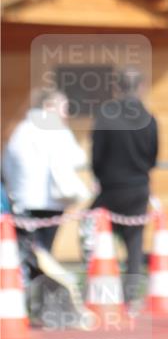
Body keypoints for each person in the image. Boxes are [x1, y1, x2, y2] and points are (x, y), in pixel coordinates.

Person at [90, 68, 159, 309]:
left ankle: (99, 289)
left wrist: (101, 176)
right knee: (134, 241)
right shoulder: (149, 118)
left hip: (110, 187)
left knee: (94, 233)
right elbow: (153, 158)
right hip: (138, 187)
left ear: (116, 88)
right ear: (141, 87)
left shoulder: (106, 117)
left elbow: (96, 156)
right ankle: (130, 296)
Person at [2, 89, 89, 252]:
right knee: (44, 249)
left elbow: (7, 165)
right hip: (51, 201)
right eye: (64, 107)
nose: (66, 113)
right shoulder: (58, 130)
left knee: (26, 249)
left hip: (22, 200)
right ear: (49, 106)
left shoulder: (21, 129)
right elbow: (78, 158)